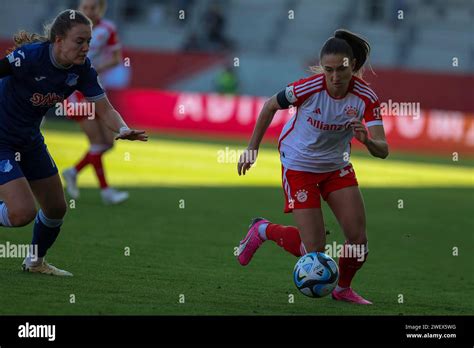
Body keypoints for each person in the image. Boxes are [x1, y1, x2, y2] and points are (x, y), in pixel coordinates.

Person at [236, 29, 389, 304]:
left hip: (336, 167)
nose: (334, 77)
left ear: (352, 66)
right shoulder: (308, 88)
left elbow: (383, 150)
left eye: (340, 69)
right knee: (314, 250)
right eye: (328, 70)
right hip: (299, 166)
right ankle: (262, 230)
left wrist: (366, 139)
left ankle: (342, 289)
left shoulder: (366, 97)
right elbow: (270, 105)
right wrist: (252, 148)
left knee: (358, 240)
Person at [0, 9, 148, 276]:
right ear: (58, 40)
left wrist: (123, 129)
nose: (86, 48)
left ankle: (34, 262)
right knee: (21, 213)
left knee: (56, 208)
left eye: (89, 41)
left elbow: (104, 109)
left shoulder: (82, 70)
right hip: (1, 140)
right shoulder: (29, 57)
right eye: (79, 41)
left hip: (29, 140)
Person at [62, 0, 131, 205]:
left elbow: (117, 58)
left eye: (93, 7)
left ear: (101, 9)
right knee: (97, 143)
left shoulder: (108, 29)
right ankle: (106, 192)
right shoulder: (70, 26)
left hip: (92, 87)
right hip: (74, 91)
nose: (89, 11)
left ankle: (73, 171)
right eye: (85, 7)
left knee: (108, 143)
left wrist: (96, 67)